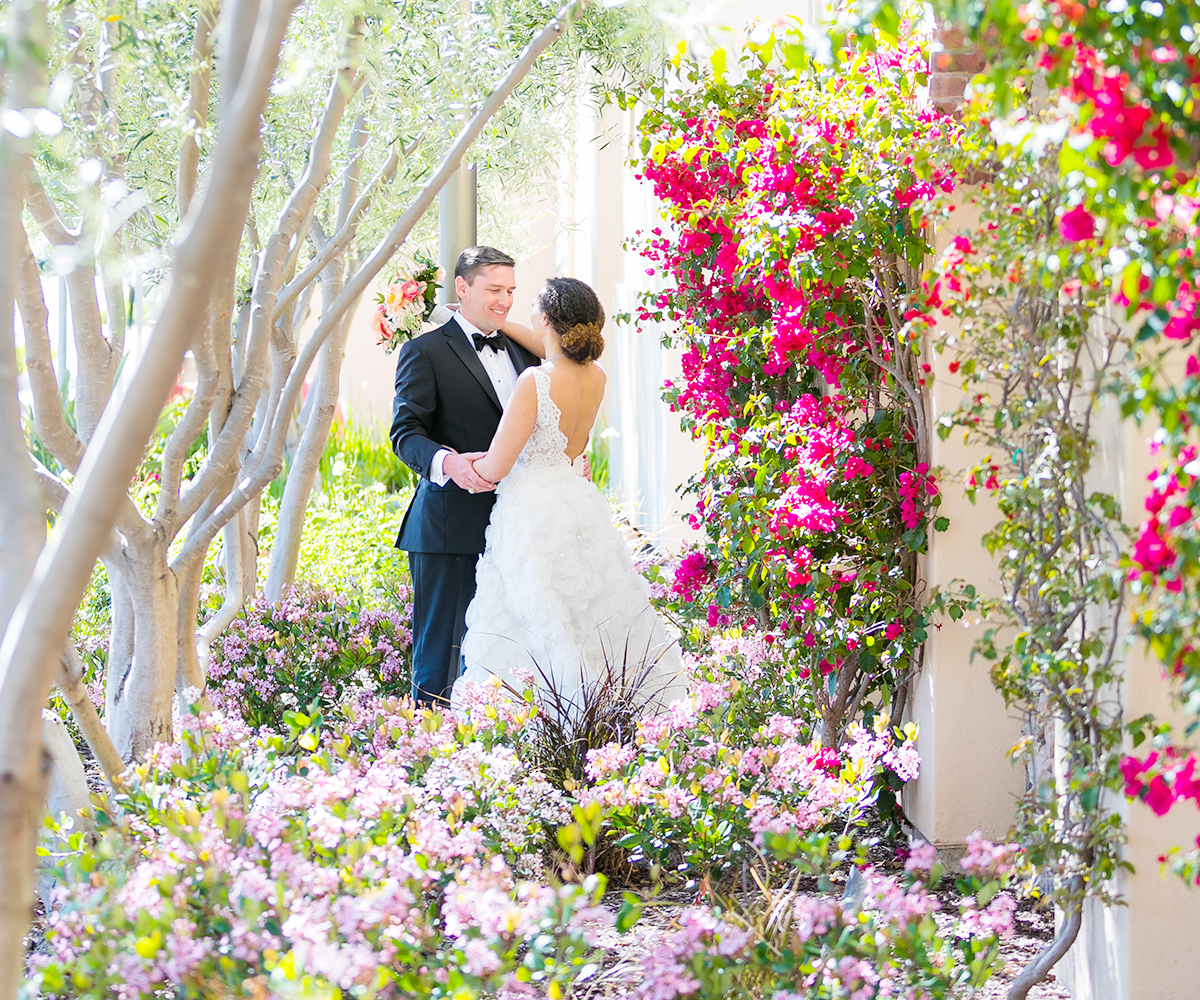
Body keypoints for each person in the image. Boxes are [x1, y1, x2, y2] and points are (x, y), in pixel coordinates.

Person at [451, 277, 686, 717]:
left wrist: (455, 466)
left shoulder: (535, 381)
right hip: (576, 503)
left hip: (533, 510)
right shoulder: (595, 375)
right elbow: (546, 346)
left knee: (537, 613)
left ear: (545, 319)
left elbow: (497, 466)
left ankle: (548, 715)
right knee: (588, 609)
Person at [390, 246, 541, 705]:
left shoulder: (523, 352)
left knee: (504, 654)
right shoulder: (424, 351)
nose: (504, 301)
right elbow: (405, 433)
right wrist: (449, 464)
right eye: (494, 289)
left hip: (514, 527)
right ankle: (426, 755)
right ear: (462, 288)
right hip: (447, 528)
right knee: (440, 656)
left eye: (511, 291)